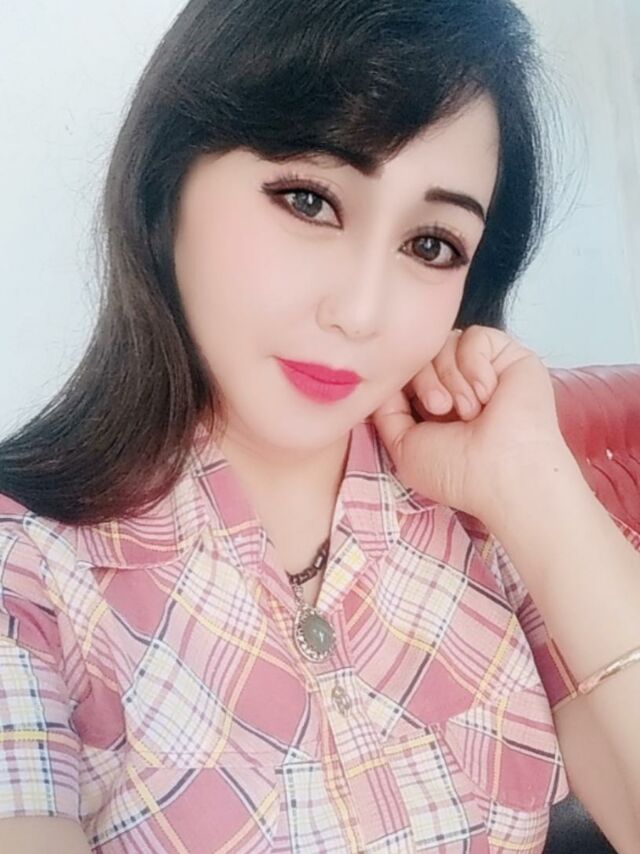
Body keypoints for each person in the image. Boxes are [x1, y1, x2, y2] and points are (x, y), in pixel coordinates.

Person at [0, 0, 639, 851]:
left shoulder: (479, 514)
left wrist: (536, 488)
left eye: (432, 245)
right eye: (309, 200)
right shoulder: (29, 573)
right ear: (168, 179)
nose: (361, 311)